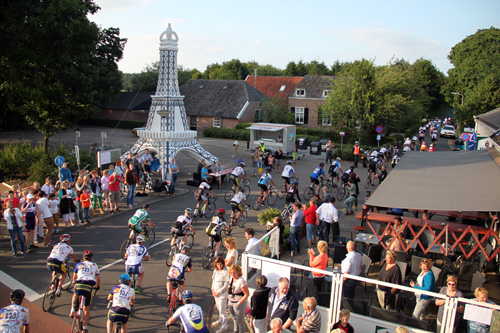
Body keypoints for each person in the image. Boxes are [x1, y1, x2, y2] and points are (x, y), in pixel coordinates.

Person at [70, 250, 101, 333]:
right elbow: (98, 279)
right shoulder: (94, 265)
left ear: (83, 257)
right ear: (91, 258)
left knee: (75, 294)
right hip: (88, 286)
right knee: (86, 308)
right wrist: (97, 286)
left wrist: (74, 284)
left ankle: (72, 309)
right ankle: (84, 327)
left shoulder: (79, 265)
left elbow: (74, 277)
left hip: (79, 284)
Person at [228, 264, 250, 333]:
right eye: (231, 273)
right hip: (231, 301)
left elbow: (247, 294)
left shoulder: (241, 281)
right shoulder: (232, 278)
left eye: (234, 273)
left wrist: (239, 303)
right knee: (234, 318)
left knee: (240, 321)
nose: (233, 275)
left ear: (238, 272)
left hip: (238, 303)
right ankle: (235, 331)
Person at [211, 257, 230, 333]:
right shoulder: (215, 271)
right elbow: (214, 281)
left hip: (222, 294)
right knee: (219, 308)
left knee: (222, 310)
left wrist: (219, 292)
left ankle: (224, 326)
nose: (219, 266)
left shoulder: (225, 272)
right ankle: (220, 320)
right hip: (215, 292)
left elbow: (226, 284)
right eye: (218, 264)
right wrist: (212, 290)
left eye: (221, 264)